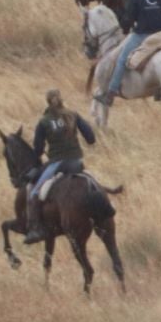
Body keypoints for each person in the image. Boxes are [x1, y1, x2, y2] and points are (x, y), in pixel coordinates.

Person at [25, 89, 98, 242]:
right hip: (77, 162)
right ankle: (106, 211)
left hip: (58, 164)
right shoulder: (73, 114)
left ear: (48, 102)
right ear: (61, 99)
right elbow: (91, 138)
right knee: (95, 184)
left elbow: (38, 149)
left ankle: (35, 230)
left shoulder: (44, 121)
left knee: (34, 193)